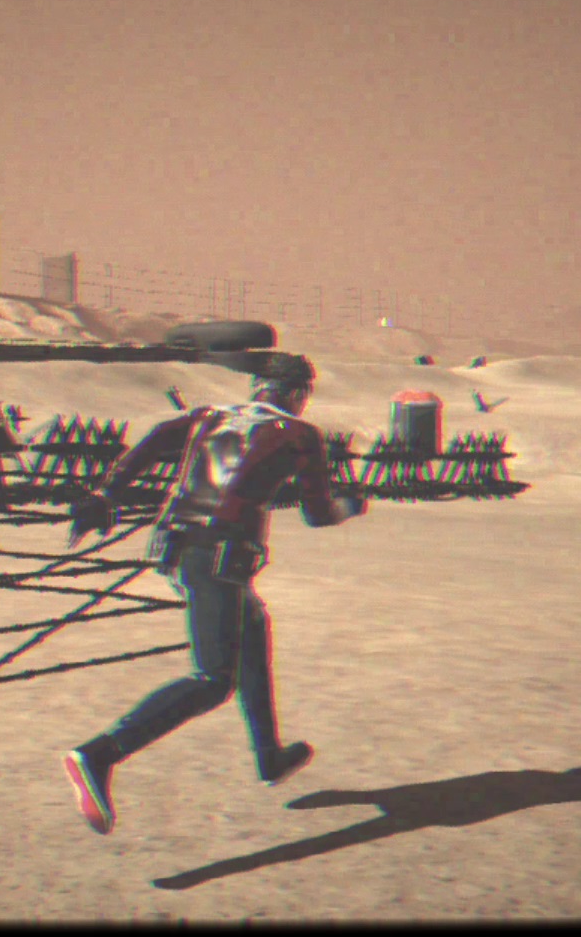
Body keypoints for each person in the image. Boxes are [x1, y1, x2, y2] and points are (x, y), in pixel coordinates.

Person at [60, 352, 368, 835]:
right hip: (221, 557)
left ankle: (269, 755)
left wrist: (106, 494)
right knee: (213, 679)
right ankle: (98, 755)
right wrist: (351, 505)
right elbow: (318, 514)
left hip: (177, 545)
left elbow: (154, 440)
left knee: (252, 627)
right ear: (297, 394)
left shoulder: (210, 415)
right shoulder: (300, 435)